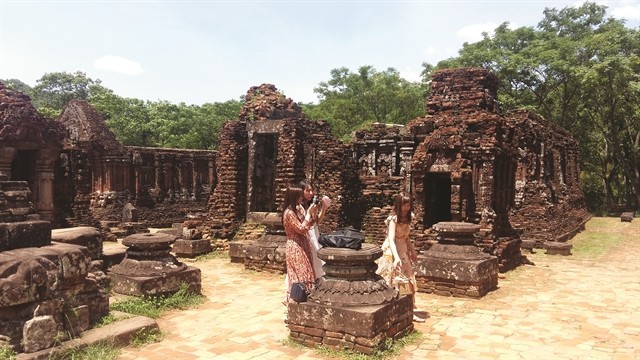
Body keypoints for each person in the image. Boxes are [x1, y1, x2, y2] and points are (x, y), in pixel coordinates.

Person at [376, 193, 425, 323]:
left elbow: (406, 237)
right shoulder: (394, 219)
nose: (406, 207)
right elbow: (391, 239)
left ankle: (409, 309)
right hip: (391, 251)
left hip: (402, 249)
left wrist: (412, 250)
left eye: (408, 204)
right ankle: (389, 309)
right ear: (399, 205)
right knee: (391, 279)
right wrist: (396, 257)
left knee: (408, 279)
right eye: (404, 204)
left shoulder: (409, 217)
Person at [282, 185, 318, 303]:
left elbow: (309, 225)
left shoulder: (297, 210)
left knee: (307, 271)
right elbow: (302, 228)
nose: (301, 198)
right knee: (299, 275)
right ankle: (294, 300)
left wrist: (313, 213)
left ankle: (304, 299)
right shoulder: (289, 213)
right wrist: (308, 214)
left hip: (303, 244)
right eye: (298, 196)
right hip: (296, 246)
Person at [298, 180, 331, 279]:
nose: (311, 193)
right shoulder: (299, 207)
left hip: (314, 234)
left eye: (312, 190)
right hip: (306, 235)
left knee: (318, 261)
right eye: (308, 190)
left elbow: (316, 222)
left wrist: (324, 208)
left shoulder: (311, 204)